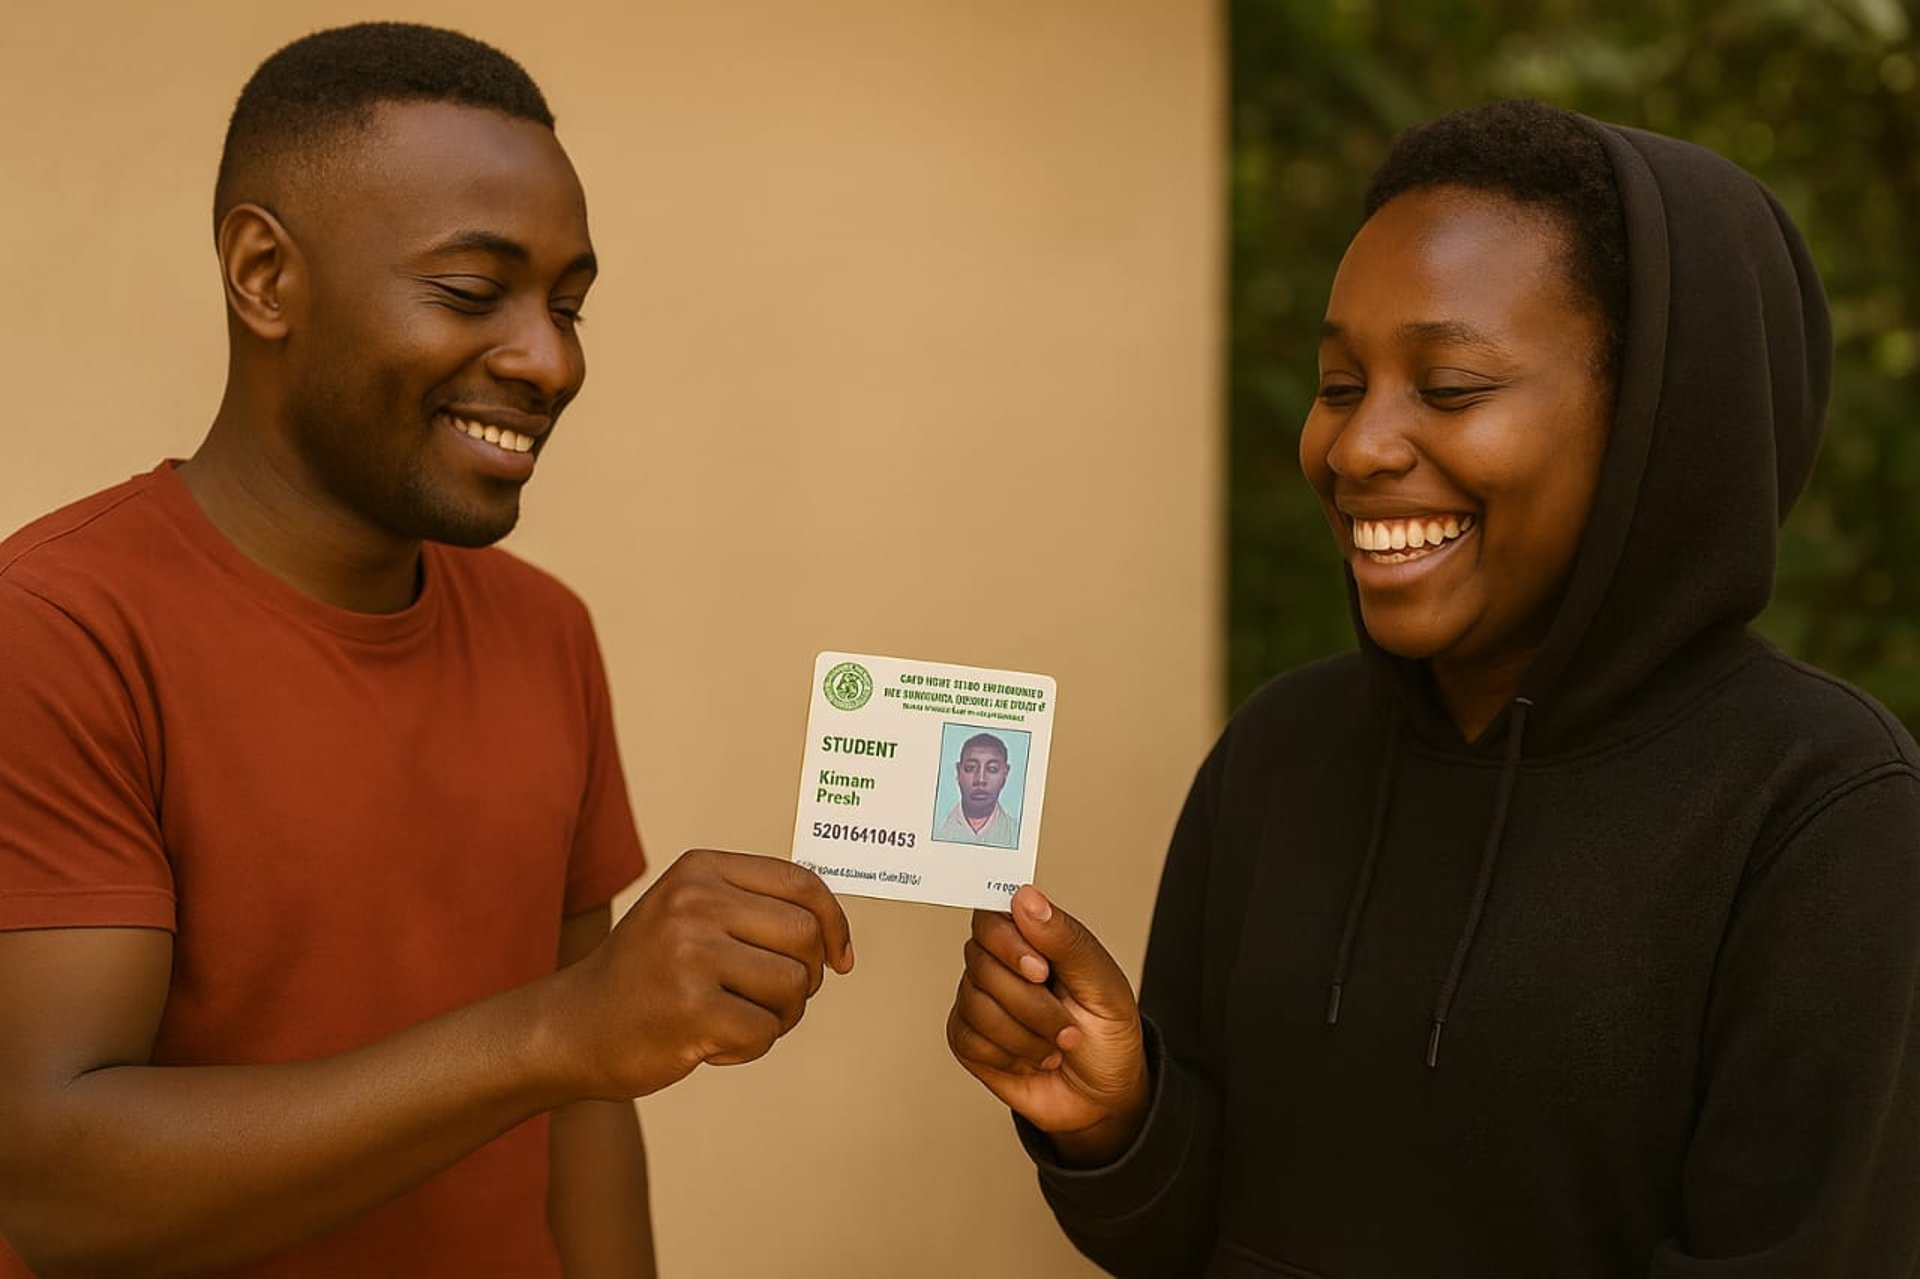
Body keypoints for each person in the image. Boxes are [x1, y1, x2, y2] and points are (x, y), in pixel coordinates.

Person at [947, 99, 1920, 1276]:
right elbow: (1198, 1237)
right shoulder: (1277, 753)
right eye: (1340, 383)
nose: (1357, 447)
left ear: (1657, 421)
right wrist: (1119, 1123)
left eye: (1449, 386)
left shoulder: (1827, 815)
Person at [0, 23, 853, 1279]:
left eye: (568, 305)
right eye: (471, 293)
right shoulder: (59, 627)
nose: (548, 359)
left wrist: (580, 1042)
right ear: (264, 275)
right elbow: (59, 1188)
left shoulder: (545, 631)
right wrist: (555, 1029)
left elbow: (589, 1103)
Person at [935, 732, 1021, 848]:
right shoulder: (937, 829)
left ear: (1005, 773)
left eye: (992, 769)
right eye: (970, 768)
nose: (980, 779)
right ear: (958, 771)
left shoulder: (1017, 834)